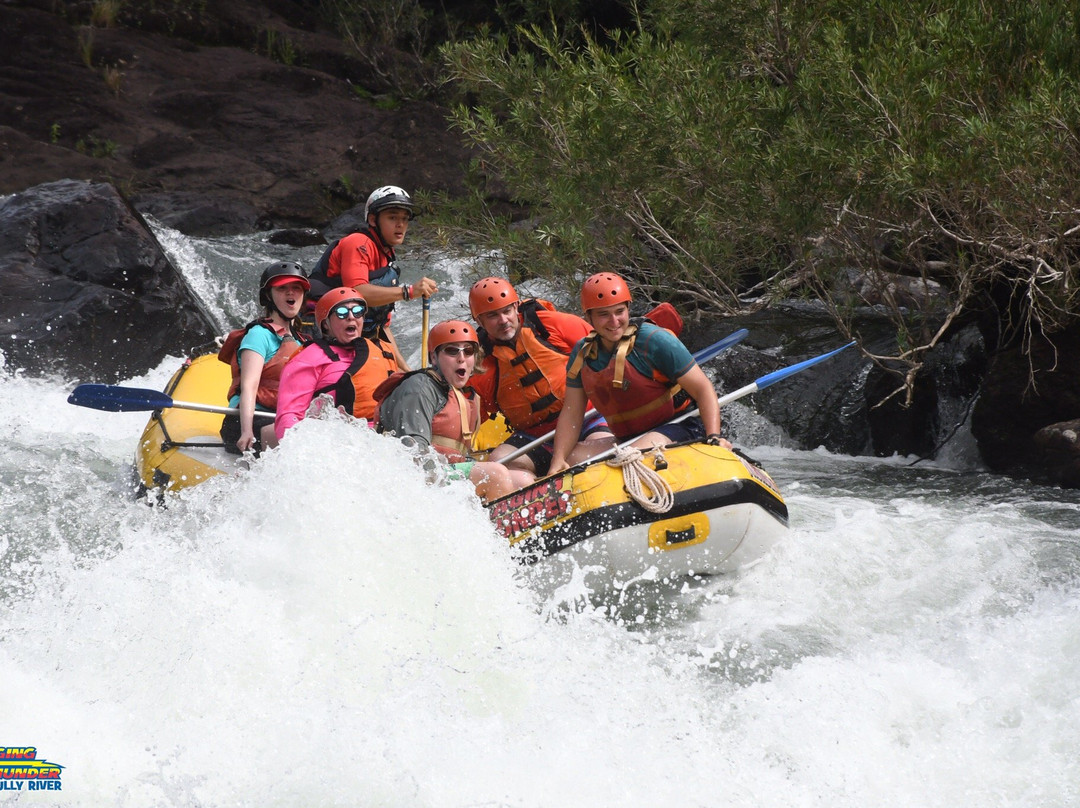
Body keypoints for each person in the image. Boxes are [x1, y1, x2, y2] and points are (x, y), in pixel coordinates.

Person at [548, 272, 731, 475]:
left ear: (628, 309)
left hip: (680, 426)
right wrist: (558, 459)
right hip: (629, 438)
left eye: (619, 311)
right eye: (603, 314)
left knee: (630, 455)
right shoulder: (583, 354)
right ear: (588, 317)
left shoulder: (654, 340)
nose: (614, 321)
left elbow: (703, 389)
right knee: (573, 458)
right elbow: (572, 413)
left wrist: (714, 436)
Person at [466, 276, 614, 485]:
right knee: (498, 464)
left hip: (587, 416)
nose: (503, 320)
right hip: (536, 436)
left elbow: (609, 351)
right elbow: (468, 416)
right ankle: (540, 497)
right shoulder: (481, 363)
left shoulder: (550, 325)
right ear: (479, 321)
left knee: (594, 451)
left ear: (516, 307)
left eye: (507, 311)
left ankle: (564, 464)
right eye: (492, 316)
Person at [374, 320, 516, 503]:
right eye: (451, 350)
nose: (461, 358)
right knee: (496, 475)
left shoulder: (459, 395)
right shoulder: (419, 388)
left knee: (520, 480)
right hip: (410, 478)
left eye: (468, 351)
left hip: (444, 470)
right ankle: (499, 531)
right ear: (434, 358)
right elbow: (413, 454)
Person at [307, 185, 438, 370]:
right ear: (373, 219)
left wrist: (407, 372)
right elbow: (357, 292)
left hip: (354, 338)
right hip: (321, 334)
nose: (400, 224)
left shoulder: (387, 257)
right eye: (392, 217)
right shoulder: (358, 243)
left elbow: (382, 326)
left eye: (404, 219)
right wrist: (408, 291)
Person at [274, 287, 398, 442]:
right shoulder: (309, 358)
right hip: (331, 441)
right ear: (326, 324)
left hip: (378, 440)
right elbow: (289, 415)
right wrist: (294, 449)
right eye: (342, 313)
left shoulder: (382, 352)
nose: (351, 317)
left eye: (358, 311)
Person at [217, 261, 309, 454]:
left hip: (283, 417)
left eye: (296, 288)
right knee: (296, 437)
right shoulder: (259, 334)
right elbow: (249, 385)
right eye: (282, 288)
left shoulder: (302, 341)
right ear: (268, 295)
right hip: (248, 419)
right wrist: (246, 430)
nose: (291, 293)